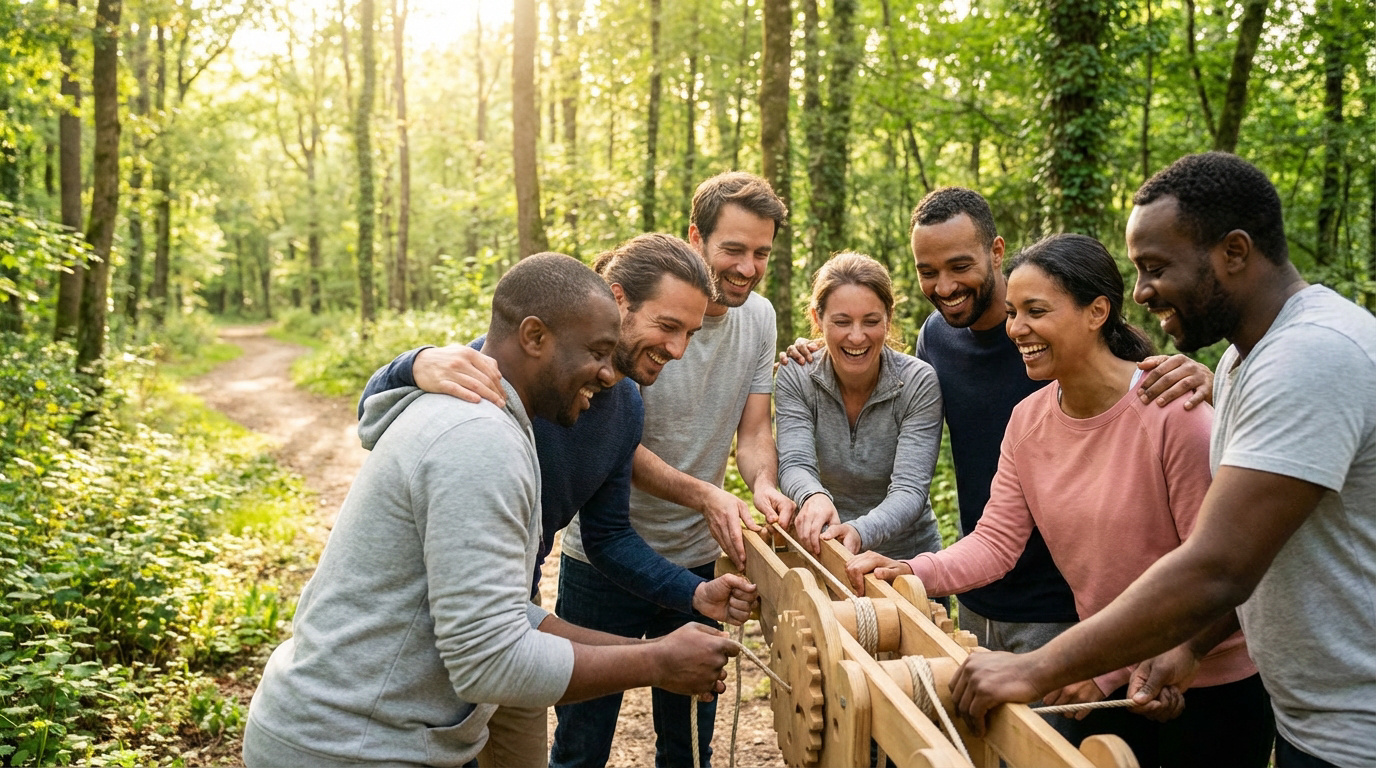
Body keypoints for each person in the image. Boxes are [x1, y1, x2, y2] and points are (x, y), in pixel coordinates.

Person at [948, 153, 1376, 768]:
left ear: (1233, 252)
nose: (1141, 291)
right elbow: (1258, 555)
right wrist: (1189, 648)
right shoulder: (1239, 363)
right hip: (1311, 720)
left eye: (1155, 268)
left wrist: (1037, 667)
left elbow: (1217, 565)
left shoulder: (1312, 356)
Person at [243, 253, 739, 768]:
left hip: (393, 727)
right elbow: (491, 659)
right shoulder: (477, 431)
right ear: (534, 337)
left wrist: (677, 620)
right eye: (596, 351)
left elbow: (512, 616)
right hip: (348, 744)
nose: (606, 371)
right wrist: (655, 661)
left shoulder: (516, 420)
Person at [849, 233, 1273, 766]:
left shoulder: (1175, 416)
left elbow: (1223, 574)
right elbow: (995, 542)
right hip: (1106, 672)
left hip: (1207, 686)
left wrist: (1106, 670)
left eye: (1035, 311)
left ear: (1097, 312)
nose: (1017, 329)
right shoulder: (1028, 421)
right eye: (1012, 313)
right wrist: (909, 571)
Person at [782, 189, 1210, 671]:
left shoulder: (1072, 353)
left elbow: (1214, 552)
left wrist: (1217, 386)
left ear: (996, 251)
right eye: (928, 271)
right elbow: (990, 529)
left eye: (959, 266)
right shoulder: (938, 341)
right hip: (978, 584)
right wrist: (820, 350)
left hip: (1070, 606)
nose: (944, 286)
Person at [552, 171, 796, 768]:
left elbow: (755, 431)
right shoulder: (633, 317)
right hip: (602, 555)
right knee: (581, 741)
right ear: (696, 237)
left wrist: (763, 484)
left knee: (688, 744)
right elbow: (610, 441)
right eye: (733, 249)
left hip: (693, 561)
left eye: (761, 253)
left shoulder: (759, 319)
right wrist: (705, 495)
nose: (747, 267)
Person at [774, 251, 944, 563]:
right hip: (824, 556)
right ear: (817, 318)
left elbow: (909, 491)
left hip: (906, 563)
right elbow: (795, 463)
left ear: (888, 319)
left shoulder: (918, 382)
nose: (856, 336)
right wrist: (812, 496)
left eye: (871, 321)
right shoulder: (796, 376)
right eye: (841, 321)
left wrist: (858, 531)